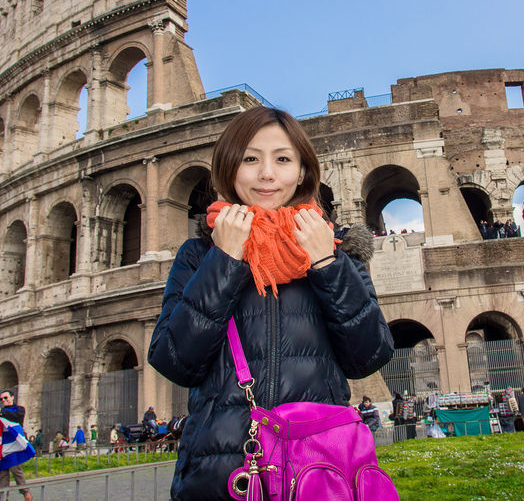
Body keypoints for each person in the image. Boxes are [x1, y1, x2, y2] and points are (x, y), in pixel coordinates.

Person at [147, 107, 394, 501]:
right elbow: (174, 360)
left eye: (282, 159)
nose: (266, 173)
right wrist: (224, 261)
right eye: (250, 159)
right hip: (222, 470)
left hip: (318, 466)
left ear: (302, 172)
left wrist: (326, 265)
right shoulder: (199, 254)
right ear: (229, 169)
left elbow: (369, 356)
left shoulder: (336, 252)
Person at [0, 390, 33, 501]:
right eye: (1, 399)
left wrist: (1, 412)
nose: (3, 400)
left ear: (12, 397)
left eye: (5, 397)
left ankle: (26, 492)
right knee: (2, 473)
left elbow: (17, 418)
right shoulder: (1, 411)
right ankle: (3, 498)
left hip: (14, 445)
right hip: (2, 446)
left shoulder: (19, 409)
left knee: (15, 470)